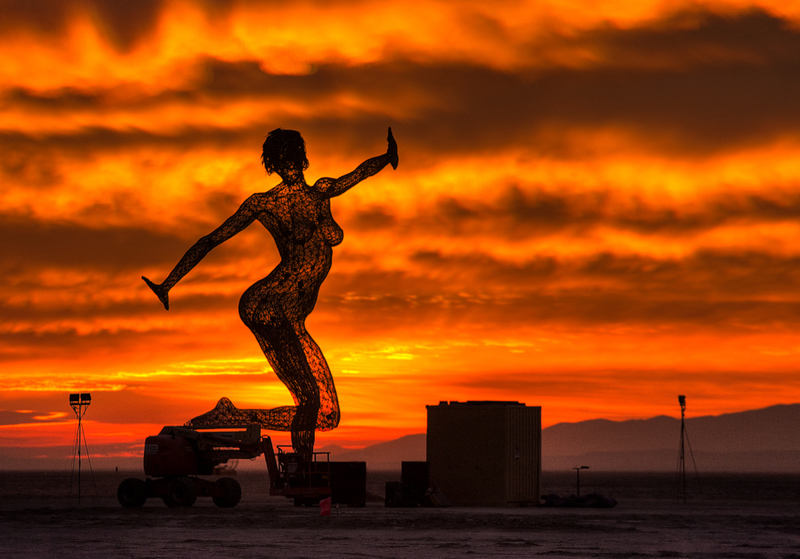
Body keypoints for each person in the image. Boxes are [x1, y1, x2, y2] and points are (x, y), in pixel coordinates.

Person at [143, 128, 398, 454]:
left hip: (290, 316)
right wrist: (168, 283)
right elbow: (212, 239)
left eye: (292, 159)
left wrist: (387, 157)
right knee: (309, 399)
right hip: (270, 304)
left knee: (327, 414)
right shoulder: (264, 203)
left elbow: (360, 173)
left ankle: (233, 415)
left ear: (301, 160)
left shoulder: (322, 192)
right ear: (274, 165)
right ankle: (304, 469)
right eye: (282, 161)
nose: (289, 166)